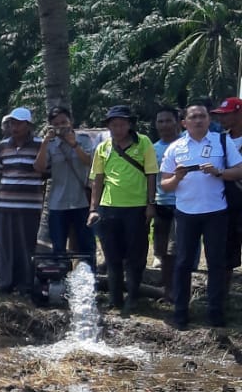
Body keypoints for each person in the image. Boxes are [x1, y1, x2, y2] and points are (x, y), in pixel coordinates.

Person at [160, 99, 242, 329]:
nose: (198, 120)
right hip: (186, 213)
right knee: (183, 263)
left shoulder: (222, 142)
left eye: (202, 116)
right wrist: (177, 177)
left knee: (216, 264)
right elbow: (164, 184)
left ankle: (215, 313)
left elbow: (239, 170)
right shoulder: (175, 148)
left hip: (217, 212)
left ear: (209, 120)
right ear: (184, 123)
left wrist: (219, 172)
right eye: (193, 117)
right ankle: (180, 312)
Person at [87, 104, 157, 315]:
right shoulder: (103, 148)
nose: (118, 128)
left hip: (136, 208)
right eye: (114, 124)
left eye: (122, 124)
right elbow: (97, 180)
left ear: (129, 125)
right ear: (109, 126)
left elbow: (151, 174)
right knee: (112, 256)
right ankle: (115, 298)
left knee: (136, 256)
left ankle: (133, 297)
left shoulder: (143, 142)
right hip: (108, 208)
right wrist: (93, 209)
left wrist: (150, 204)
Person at [0, 107, 45, 295]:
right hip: (4, 204)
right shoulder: (2, 146)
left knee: (25, 246)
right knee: (4, 245)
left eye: (19, 123)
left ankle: (25, 284)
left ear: (28, 125)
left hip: (29, 205)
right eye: (12, 123)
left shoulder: (40, 144)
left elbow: (46, 171)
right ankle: (5, 283)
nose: (15, 127)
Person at [34, 105, 96, 271]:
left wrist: (74, 144)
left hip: (81, 201)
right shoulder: (51, 143)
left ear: (71, 121)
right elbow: (39, 167)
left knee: (86, 246)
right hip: (57, 203)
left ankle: (89, 283)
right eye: (56, 124)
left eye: (64, 122)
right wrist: (45, 142)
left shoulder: (83, 139)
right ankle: (60, 282)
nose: (61, 126)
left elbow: (89, 162)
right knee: (59, 248)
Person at [151, 104, 185, 299]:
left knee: (176, 249)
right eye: (160, 121)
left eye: (168, 121)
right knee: (162, 249)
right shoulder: (153, 148)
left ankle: (178, 289)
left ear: (178, 123)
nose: (164, 125)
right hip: (160, 204)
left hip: (183, 204)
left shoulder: (186, 145)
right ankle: (167, 288)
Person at [211, 97, 242, 270]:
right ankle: (224, 293)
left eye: (226, 115)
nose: (221, 119)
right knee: (227, 252)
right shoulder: (220, 140)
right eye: (219, 115)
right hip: (228, 203)